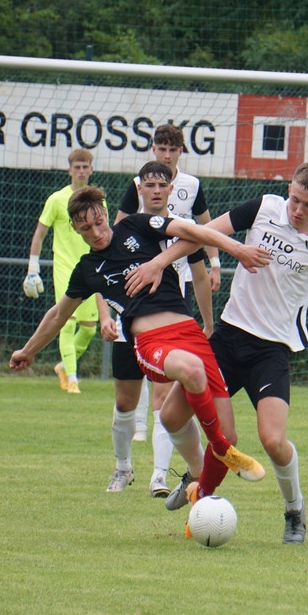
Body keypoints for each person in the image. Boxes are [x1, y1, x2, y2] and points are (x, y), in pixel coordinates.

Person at [9, 176, 271, 492]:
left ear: (106, 214)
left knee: (228, 431)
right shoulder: (88, 269)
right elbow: (57, 315)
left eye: (99, 222)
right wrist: (28, 350)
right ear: (75, 229)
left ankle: (199, 493)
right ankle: (218, 447)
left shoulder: (135, 225)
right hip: (151, 342)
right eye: (86, 229)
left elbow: (192, 230)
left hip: (189, 332)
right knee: (192, 373)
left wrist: (237, 248)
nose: (96, 233)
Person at [128, 162, 308, 545]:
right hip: (229, 338)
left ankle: (294, 511)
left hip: (271, 350)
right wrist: (159, 262)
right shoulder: (263, 208)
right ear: (288, 191)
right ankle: (197, 474)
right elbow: (202, 233)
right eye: (294, 199)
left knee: (273, 440)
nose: (297, 210)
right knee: (172, 415)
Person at [98, 164, 214, 495]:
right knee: (125, 402)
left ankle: (159, 476)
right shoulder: (123, 230)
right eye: (150, 185)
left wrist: (207, 322)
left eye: (163, 185)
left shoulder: (183, 231)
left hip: (169, 324)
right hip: (130, 325)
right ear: (139, 189)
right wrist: (105, 316)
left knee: (163, 399)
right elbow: (101, 276)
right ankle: (123, 468)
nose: (157, 190)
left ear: (171, 188)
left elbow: (200, 276)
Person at [115, 124, 222, 440]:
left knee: (169, 373)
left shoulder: (191, 186)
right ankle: (138, 423)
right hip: (139, 280)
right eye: (161, 149)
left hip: (178, 281)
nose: (166, 155)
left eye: (172, 149)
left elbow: (206, 228)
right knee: (135, 360)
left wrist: (215, 263)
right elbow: (117, 230)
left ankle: (164, 442)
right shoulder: (138, 185)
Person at [23, 149, 103, 394]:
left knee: (89, 329)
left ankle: (63, 366)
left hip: (91, 267)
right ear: (70, 170)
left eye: (85, 166)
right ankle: (73, 379)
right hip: (65, 268)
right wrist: (33, 269)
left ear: (91, 170)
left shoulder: (98, 202)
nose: (81, 171)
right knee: (67, 324)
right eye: (77, 167)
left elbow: (104, 232)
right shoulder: (57, 199)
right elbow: (40, 234)